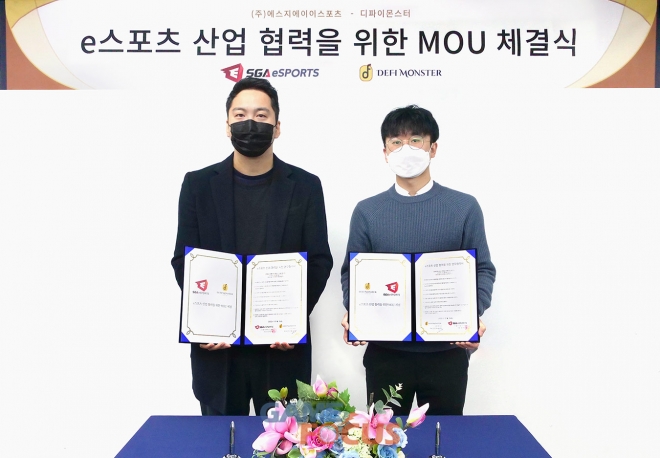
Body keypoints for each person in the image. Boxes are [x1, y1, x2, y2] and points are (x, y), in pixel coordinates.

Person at [172, 77, 333, 416]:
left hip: (281, 349)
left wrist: (293, 320)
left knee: (283, 441)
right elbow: (183, 260)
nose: (250, 123)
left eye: (261, 116)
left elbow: (319, 261)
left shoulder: (305, 186)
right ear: (227, 125)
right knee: (221, 440)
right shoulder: (198, 185)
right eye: (240, 115)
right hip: (218, 350)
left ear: (277, 127)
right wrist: (205, 321)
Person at [340, 105, 496, 416]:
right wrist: (355, 312)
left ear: (433, 148)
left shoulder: (464, 207)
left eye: (415, 140)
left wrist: (470, 314)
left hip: (446, 353)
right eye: (396, 142)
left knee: (443, 435)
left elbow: (483, 270)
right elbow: (351, 275)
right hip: (386, 352)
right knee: (384, 437)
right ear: (385, 152)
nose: (405, 149)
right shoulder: (367, 211)